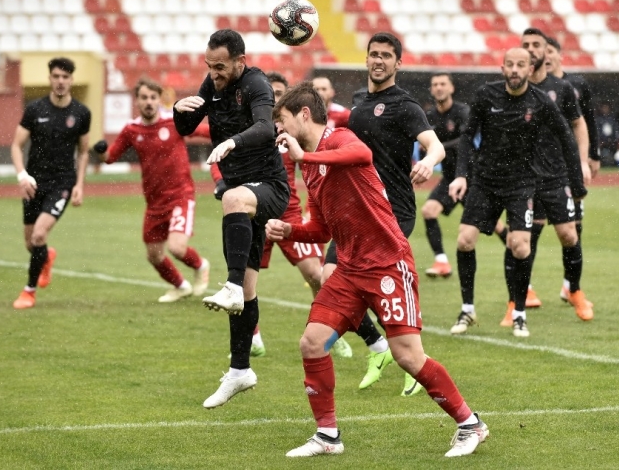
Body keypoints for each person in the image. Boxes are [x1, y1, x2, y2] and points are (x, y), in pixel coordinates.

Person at [268, 81, 488, 458]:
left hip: (388, 262)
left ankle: (471, 424)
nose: (280, 132)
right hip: (350, 268)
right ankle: (327, 435)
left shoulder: (339, 139)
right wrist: (290, 229)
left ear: (304, 115)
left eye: (283, 122)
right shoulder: (311, 166)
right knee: (312, 342)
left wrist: (307, 160)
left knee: (408, 356)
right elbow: (323, 228)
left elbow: (361, 153)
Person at [173, 29, 290, 408]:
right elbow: (187, 130)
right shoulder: (212, 84)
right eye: (209, 66)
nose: (214, 73)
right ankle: (240, 371)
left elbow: (264, 127)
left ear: (240, 61)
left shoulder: (256, 84)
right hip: (242, 198)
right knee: (248, 289)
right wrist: (179, 110)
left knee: (234, 198)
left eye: (220, 66)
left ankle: (232, 285)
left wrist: (231, 141)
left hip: (269, 188)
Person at [323, 32, 446, 395]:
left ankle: (412, 360)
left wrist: (429, 161)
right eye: (373, 54)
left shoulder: (405, 106)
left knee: (377, 289)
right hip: (356, 212)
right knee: (328, 276)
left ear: (398, 63)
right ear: (366, 59)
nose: (378, 60)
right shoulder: (358, 104)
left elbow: (435, 145)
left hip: (393, 212)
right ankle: (379, 347)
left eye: (386, 56)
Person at [449, 47, 583, 338]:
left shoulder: (540, 102)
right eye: (509, 64)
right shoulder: (486, 95)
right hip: (484, 182)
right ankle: (468, 309)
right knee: (464, 241)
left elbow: (566, 138)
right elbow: (467, 136)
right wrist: (461, 175)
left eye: (520, 65)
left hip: (521, 183)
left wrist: (577, 184)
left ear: (529, 68)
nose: (514, 69)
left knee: (520, 246)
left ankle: (519, 313)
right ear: (502, 68)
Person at [247, 71, 351, 359]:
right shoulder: (252, 127)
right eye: (272, 93)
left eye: (280, 94)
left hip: (288, 211)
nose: (275, 99)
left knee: (316, 273)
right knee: (245, 281)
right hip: (256, 213)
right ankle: (251, 337)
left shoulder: (290, 133)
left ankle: (330, 329)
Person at [93, 77, 210, 303]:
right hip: (154, 202)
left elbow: (205, 131)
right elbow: (109, 157)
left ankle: (200, 265)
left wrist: (233, 136)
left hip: (180, 195)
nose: (149, 102)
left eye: (153, 97)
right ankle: (181, 285)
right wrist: (100, 152)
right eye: (144, 97)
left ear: (159, 100)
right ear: (136, 100)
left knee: (176, 247)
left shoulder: (174, 121)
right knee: (154, 255)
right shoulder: (131, 129)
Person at [504, 28, 591, 320]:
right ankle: (515, 301)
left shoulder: (561, 89)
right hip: (522, 177)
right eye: (525, 45)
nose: (530, 49)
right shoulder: (511, 88)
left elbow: (578, 124)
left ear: (545, 51)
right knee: (521, 239)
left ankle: (575, 291)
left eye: (536, 45)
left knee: (568, 234)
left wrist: (582, 161)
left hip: (556, 175)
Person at [10, 57, 91, 309]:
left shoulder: (81, 113)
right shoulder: (35, 110)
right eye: (56, 76)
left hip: (62, 182)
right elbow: (16, 145)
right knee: (30, 243)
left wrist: (79, 184)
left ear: (71, 80)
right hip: (34, 182)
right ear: (49, 78)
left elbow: (84, 151)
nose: (60, 81)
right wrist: (22, 175)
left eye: (65, 77)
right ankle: (48, 256)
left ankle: (28, 292)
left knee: (39, 234)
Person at [421, 73, 508, 279]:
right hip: (450, 178)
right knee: (428, 211)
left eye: (443, 84)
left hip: (471, 178)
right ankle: (441, 261)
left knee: (493, 224)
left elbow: (464, 141)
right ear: (431, 90)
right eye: (435, 84)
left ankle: (516, 251)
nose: (439, 87)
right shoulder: (429, 116)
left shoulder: (463, 112)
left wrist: (438, 147)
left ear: (451, 88)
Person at [545, 36, 601, 302]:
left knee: (574, 226)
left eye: (551, 51)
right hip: (543, 164)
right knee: (532, 228)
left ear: (559, 55)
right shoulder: (534, 87)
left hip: (571, 163)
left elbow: (587, 120)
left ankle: (570, 285)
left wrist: (592, 155)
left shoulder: (575, 84)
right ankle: (523, 292)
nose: (546, 56)